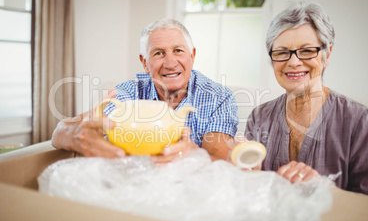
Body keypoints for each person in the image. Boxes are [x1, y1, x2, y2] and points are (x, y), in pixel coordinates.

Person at [244, 1, 368, 197]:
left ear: (327, 55)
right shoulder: (258, 117)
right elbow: (248, 191)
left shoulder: (357, 119)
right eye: (282, 53)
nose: (293, 62)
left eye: (307, 51)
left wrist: (322, 188)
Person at [52, 19, 238, 164]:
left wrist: (194, 155)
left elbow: (221, 164)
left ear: (192, 56)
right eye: (158, 53)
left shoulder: (219, 98)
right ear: (144, 63)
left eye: (178, 50)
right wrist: (77, 137)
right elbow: (59, 132)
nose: (170, 63)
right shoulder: (129, 92)